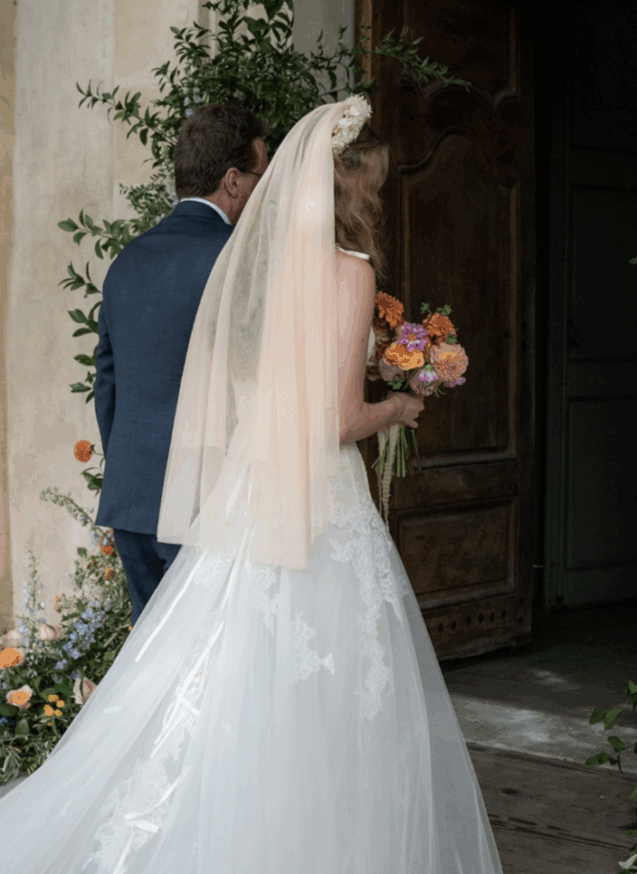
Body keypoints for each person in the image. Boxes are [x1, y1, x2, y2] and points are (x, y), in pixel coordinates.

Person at [0, 97, 502, 874]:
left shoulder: (211, 263)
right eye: (371, 182)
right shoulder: (335, 271)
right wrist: (400, 400)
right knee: (292, 696)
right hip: (291, 501)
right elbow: (329, 417)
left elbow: (118, 385)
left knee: (189, 686)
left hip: (189, 496)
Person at [94, 103, 269, 623]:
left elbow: (109, 389)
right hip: (206, 503)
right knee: (210, 670)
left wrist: (136, 469)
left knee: (151, 665)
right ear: (233, 180)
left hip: (132, 498)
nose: (263, 188)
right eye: (261, 174)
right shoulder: (239, 262)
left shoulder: (127, 259)